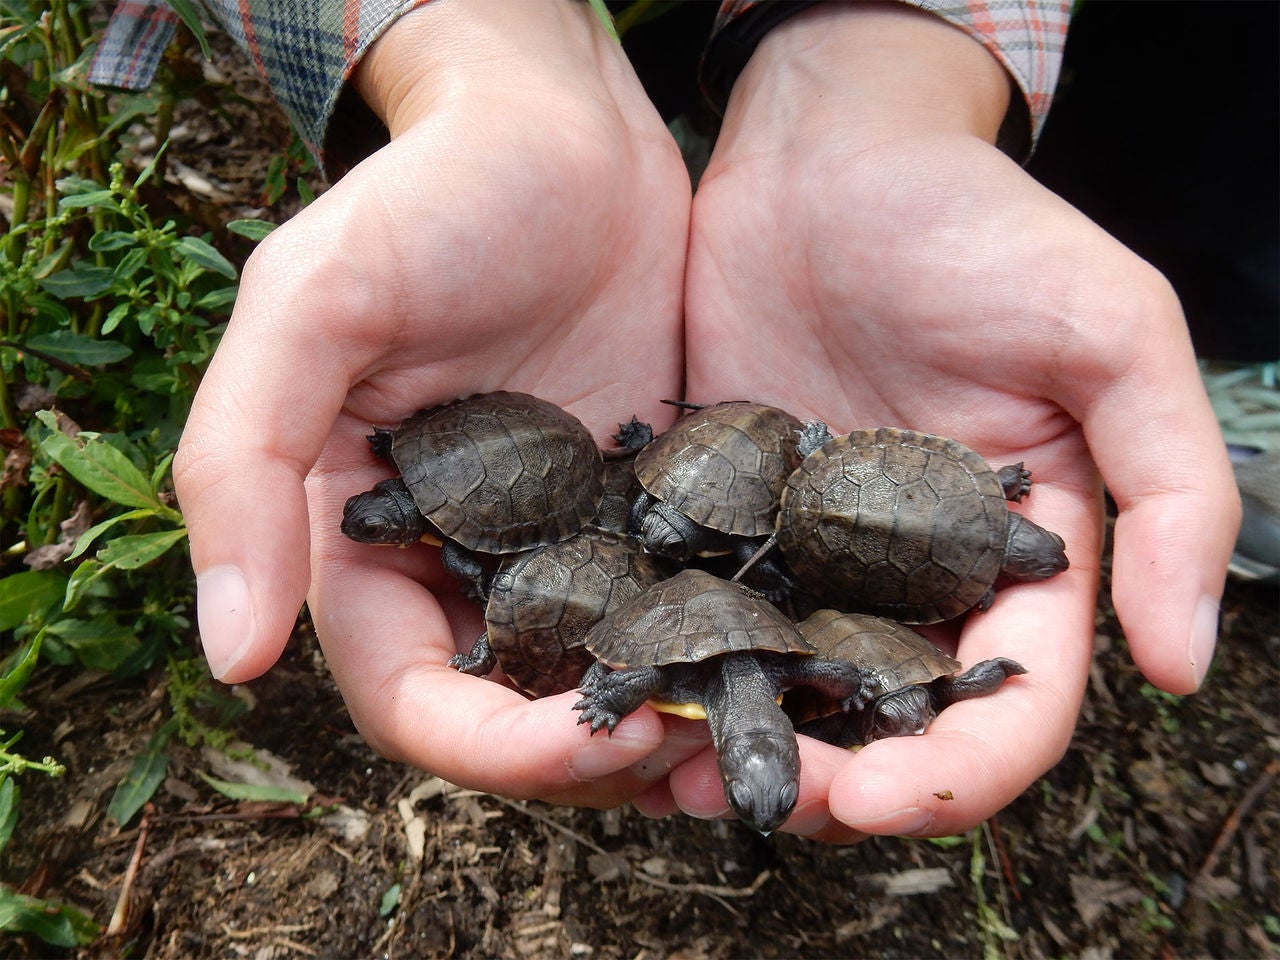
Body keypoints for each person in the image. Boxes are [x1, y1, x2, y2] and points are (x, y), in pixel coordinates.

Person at [96, 0, 1239, 843]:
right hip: (698, 497)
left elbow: (810, 633)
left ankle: (1232, 323)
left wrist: (877, 78)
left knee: (1177, 151)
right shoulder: (752, 608)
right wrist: (487, 63)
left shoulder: (786, 621)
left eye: (765, 764)